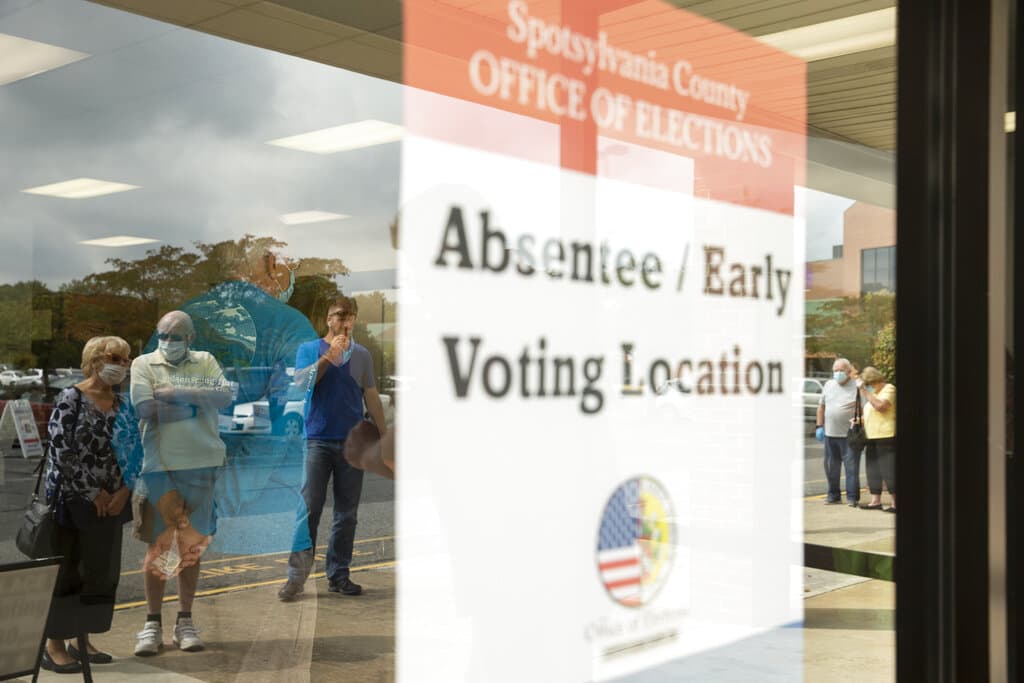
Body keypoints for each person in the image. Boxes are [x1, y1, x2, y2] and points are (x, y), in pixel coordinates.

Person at [130, 311, 233, 656]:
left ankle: (184, 621)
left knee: (189, 548)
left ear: (190, 338)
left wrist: (174, 391)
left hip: (203, 465)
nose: (169, 341)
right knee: (159, 548)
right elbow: (145, 409)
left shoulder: (206, 360)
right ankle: (152, 623)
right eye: (163, 334)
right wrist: (195, 404)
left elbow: (223, 397)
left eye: (176, 336)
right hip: (159, 469)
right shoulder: (144, 364)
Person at [278, 296, 387, 601]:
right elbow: (301, 383)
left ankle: (338, 575)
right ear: (328, 320)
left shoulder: (363, 355)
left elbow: (372, 397)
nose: (346, 322)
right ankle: (296, 577)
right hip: (317, 440)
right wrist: (330, 355)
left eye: (350, 316)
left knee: (347, 513)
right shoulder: (309, 350)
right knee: (309, 509)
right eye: (340, 316)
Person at [41, 336, 137, 673]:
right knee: (67, 574)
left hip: (113, 503)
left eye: (127, 359)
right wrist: (94, 492)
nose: (123, 365)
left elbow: (134, 450)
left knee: (99, 573)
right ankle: (53, 646)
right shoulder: (71, 397)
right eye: (116, 357)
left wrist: (124, 490)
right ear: (95, 359)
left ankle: (81, 640)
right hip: (73, 502)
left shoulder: (124, 404)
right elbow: (61, 452)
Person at [815, 358, 862, 506]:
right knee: (831, 468)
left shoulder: (858, 386)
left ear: (849, 371)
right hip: (830, 434)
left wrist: (860, 420)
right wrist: (819, 426)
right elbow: (821, 407)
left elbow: (866, 409)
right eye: (835, 371)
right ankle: (833, 495)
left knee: (851, 468)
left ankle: (852, 497)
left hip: (850, 435)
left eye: (841, 370)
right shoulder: (828, 385)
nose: (838, 373)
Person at [857, 366, 896, 512]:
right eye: (866, 385)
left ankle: (895, 503)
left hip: (886, 435)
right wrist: (859, 420)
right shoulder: (873, 394)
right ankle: (875, 501)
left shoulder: (889, 389)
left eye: (870, 384)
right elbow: (872, 413)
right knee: (872, 469)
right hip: (871, 436)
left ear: (876, 380)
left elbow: (881, 407)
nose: (869, 387)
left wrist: (865, 392)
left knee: (888, 469)